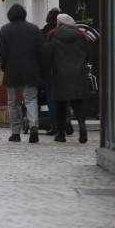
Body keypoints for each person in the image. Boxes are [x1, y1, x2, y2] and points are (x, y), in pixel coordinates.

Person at [0, 3, 48, 143]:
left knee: (13, 102)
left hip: (12, 71)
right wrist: (40, 68)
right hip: (31, 71)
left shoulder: (4, 30)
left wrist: (5, 65)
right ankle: (34, 127)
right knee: (31, 99)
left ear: (10, 16)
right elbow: (42, 50)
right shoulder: (34, 29)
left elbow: (0, 51)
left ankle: (15, 132)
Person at [47, 13, 91, 143]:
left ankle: (61, 134)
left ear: (59, 23)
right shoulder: (82, 35)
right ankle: (82, 128)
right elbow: (88, 53)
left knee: (60, 104)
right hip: (78, 73)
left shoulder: (52, 35)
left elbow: (49, 54)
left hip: (60, 73)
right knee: (77, 102)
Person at [41, 7, 72, 136]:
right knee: (66, 97)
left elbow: (43, 52)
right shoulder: (68, 32)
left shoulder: (44, 32)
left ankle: (55, 125)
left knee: (52, 98)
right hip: (66, 68)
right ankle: (67, 121)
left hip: (50, 69)